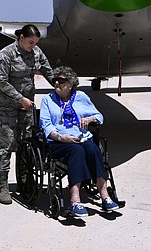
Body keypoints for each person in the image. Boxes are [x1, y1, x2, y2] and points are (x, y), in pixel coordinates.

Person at [40, 66, 121, 217]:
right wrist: (60, 137)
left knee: (93, 150)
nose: (57, 83)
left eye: (61, 81)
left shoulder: (81, 97)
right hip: (59, 142)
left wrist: (90, 118)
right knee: (76, 151)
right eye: (55, 80)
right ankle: (75, 200)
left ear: (70, 83)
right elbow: (46, 125)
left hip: (81, 137)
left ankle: (105, 196)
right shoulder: (47, 100)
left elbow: (99, 116)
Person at [0, 24, 53, 205]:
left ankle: (24, 180)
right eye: (30, 42)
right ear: (21, 38)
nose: (32, 46)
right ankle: (3, 187)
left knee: (26, 143)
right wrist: (21, 99)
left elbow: (46, 69)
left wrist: (60, 85)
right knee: (7, 143)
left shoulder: (36, 52)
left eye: (35, 43)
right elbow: (1, 82)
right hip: (7, 107)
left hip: (26, 108)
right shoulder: (5, 55)